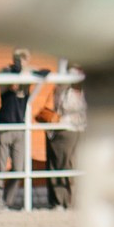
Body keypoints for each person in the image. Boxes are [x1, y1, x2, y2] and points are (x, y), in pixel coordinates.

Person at [33, 62, 86, 210]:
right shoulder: (65, 86)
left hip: (73, 128)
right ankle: (62, 200)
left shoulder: (75, 87)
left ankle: (66, 200)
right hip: (66, 128)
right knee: (63, 164)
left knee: (68, 165)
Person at [0, 48, 33, 211]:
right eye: (19, 58)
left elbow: (45, 72)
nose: (21, 62)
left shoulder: (28, 75)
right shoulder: (5, 72)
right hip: (4, 125)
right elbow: (9, 83)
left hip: (20, 128)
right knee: (0, 167)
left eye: (25, 59)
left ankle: (7, 201)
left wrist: (27, 71)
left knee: (19, 169)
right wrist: (20, 72)